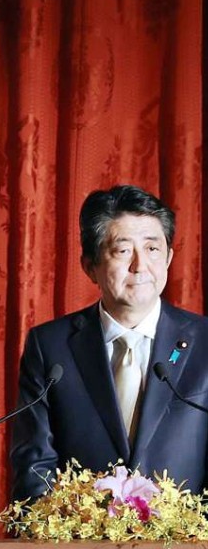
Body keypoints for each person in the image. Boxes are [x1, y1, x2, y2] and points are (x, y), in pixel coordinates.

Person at [11, 184, 208, 501]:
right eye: (122, 251)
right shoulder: (51, 347)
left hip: (188, 546)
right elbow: (35, 467)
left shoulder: (204, 342)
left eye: (152, 249)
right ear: (90, 266)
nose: (140, 266)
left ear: (169, 258)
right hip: (78, 544)